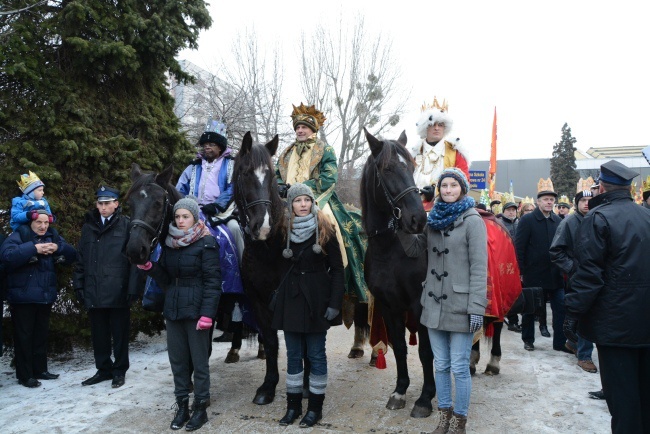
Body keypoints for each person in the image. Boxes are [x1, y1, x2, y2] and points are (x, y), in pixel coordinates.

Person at [564, 160, 650, 434]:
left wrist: (573, 313)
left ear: (601, 186)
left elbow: (589, 275)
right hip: (645, 320)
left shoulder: (598, 218)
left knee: (622, 400)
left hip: (614, 324)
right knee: (644, 397)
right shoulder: (646, 217)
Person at [400, 168, 487, 433]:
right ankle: (443, 417)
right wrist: (401, 228)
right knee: (441, 364)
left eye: (453, 185)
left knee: (460, 367)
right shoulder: (433, 219)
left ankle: (459, 420)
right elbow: (415, 249)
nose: (448, 190)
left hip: (461, 306)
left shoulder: (473, 221)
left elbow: (479, 268)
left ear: (462, 188)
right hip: (434, 304)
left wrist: (476, 308)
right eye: (444, 186)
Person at [137, 197, 221, 431]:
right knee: (178, 362)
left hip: (197, 312)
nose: (181, 221)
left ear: (195, 217)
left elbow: (213, 282)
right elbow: (166, 279)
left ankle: (200, 407)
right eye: (177, 217)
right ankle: (182, 405)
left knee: (199, 362)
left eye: (186, 216)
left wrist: (207, 314)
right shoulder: (169, 243)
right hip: (173, 309)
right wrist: (150, 268)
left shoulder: (206, 243)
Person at [276, 103, 367, 305]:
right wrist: (281, 188)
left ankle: (341, 273)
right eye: (297, 127)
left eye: (304, 127)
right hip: (286, 202)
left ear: (313, 129)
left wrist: (301, 191)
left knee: (333, 227)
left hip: (318, 198)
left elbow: (329, 178)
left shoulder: (325, 149)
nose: (300, 130)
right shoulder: (286, 153)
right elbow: (276, 176)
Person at [272, 183, 344, 428]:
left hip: (316, 300)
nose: (303, 204)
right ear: (290, 204)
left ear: (313, 203)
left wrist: (335, 303)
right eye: (297, 200)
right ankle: (293, 406)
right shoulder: (282, 231)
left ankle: (315, 408)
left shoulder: (326, 230)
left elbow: (337, 270)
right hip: (291, 301)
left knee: (315, 355)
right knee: (293, 356)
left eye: (307, 200)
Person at [73, 185, 141, 388]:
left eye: (107, 203)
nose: (103, 207)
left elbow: (134, 261)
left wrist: (132, 288)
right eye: (100, 203)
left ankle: (119, 370)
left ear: (116, 204)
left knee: (119, 334)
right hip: (94, 289)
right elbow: (81, 258)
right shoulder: (89, 227)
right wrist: (79, 285)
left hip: (117, 290)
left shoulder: (126, 225)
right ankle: (103, 369)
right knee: (99, 334)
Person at [0, 210, 76, 387]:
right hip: (23, 297)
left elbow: (72, 255)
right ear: (31, 223)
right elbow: (7, 256)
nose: (43, 227)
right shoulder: (20, 235)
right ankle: (25, 375)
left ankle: (40, 369)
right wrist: (33, 248)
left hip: (44, 295)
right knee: (24, 337)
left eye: (46, 223)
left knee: (40, 335)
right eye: (39, 223)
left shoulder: (52, 236)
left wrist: (59, 248)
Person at [515, 178, 568, 352]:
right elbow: (519, 248)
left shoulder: (559, 221)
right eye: (545, 199)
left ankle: (560, 342)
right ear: (538, 201)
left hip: (555, 274)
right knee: (530, 309)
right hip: (534, 273)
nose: (549, 202)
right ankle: (528, 339)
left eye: (551, 199)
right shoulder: (527, 220)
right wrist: (520, 271)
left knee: (560, 308)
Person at [549, 189, 597, 373]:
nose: (586, 203)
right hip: (578, 279)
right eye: (583, 200)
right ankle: (584, 355)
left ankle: (572, 342)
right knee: (585, 314)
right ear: (576, 203)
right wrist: (574, 269)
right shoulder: (569, 222)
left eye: (590, 200)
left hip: (596, 275)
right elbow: (556, 252)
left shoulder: (597, 218)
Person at [410, 98, 470, 212]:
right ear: (425, 127)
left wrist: (437, 192)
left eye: (441, 124)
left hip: (445, 209)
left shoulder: (455, 152)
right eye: (433, 124)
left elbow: (465, 182)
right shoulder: (413, 153)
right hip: (413, 209)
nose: (437, 128)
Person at [499, 201, 521, 332]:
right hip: (505, 264)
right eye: (508, 210)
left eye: (513, 210)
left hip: (518, 263)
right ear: (503, 211)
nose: (511, 212)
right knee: (507, 291)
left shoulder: (520, 224)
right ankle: (511, 319)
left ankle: (514, 319)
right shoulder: (500, 224)